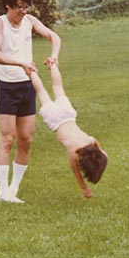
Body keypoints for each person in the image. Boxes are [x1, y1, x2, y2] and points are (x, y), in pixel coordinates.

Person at [0, 0, 61, 203]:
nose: (23, 11)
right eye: (19, 7)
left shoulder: (29, 21)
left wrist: (54, 56)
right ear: (8, 6)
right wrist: (19, 63)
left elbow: (53, 37)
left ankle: (13, 190)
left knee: (26, 139)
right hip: (6, 87)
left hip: (27, 86)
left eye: (26, 7)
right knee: (7, 139)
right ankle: (2, 193)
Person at [29, 62, 108, 198]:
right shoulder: (73, 152)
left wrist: (101, 151)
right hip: (55, 120)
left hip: (68, 114)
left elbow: (95, 141)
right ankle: (31, 70)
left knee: (58, 87)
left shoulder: (89, 141)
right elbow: (76, 172)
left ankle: (52, 65)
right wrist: (84, 189)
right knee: (41, 92)